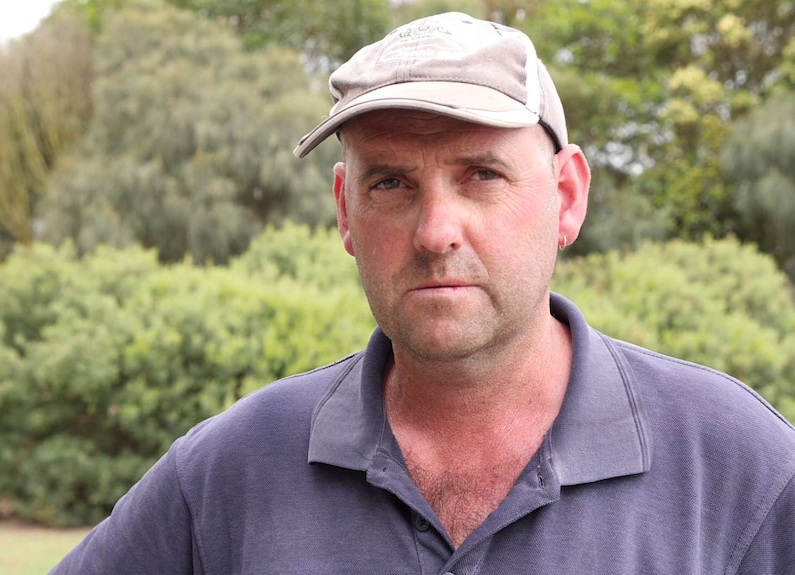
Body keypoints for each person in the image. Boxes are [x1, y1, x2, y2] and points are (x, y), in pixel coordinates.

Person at [51, 12, 795, 574]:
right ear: (346, 210)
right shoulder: (230, 471)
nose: (437, 229)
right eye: (392, 182)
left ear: (567, 197)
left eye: (482, 174)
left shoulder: (740, 470)